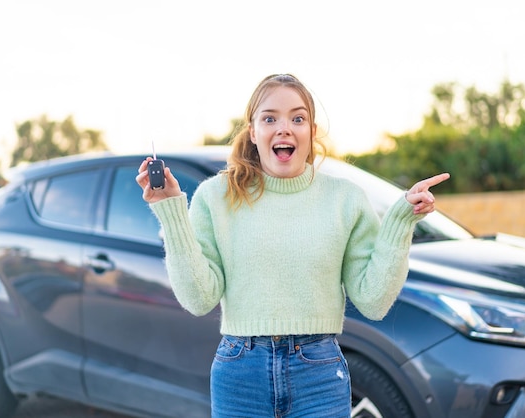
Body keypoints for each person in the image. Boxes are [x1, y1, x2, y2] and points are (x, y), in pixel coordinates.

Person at [136, 73, 450, 417]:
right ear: (253, 132)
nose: (284, 128)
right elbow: (198, 299)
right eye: (270, 118)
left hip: (319, 373)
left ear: (311, 132)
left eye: (297, 118)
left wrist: (400, 221)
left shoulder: (345, 200)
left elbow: (373, 301)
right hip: (241, 373)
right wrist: (171, 212)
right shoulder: (216, 197)